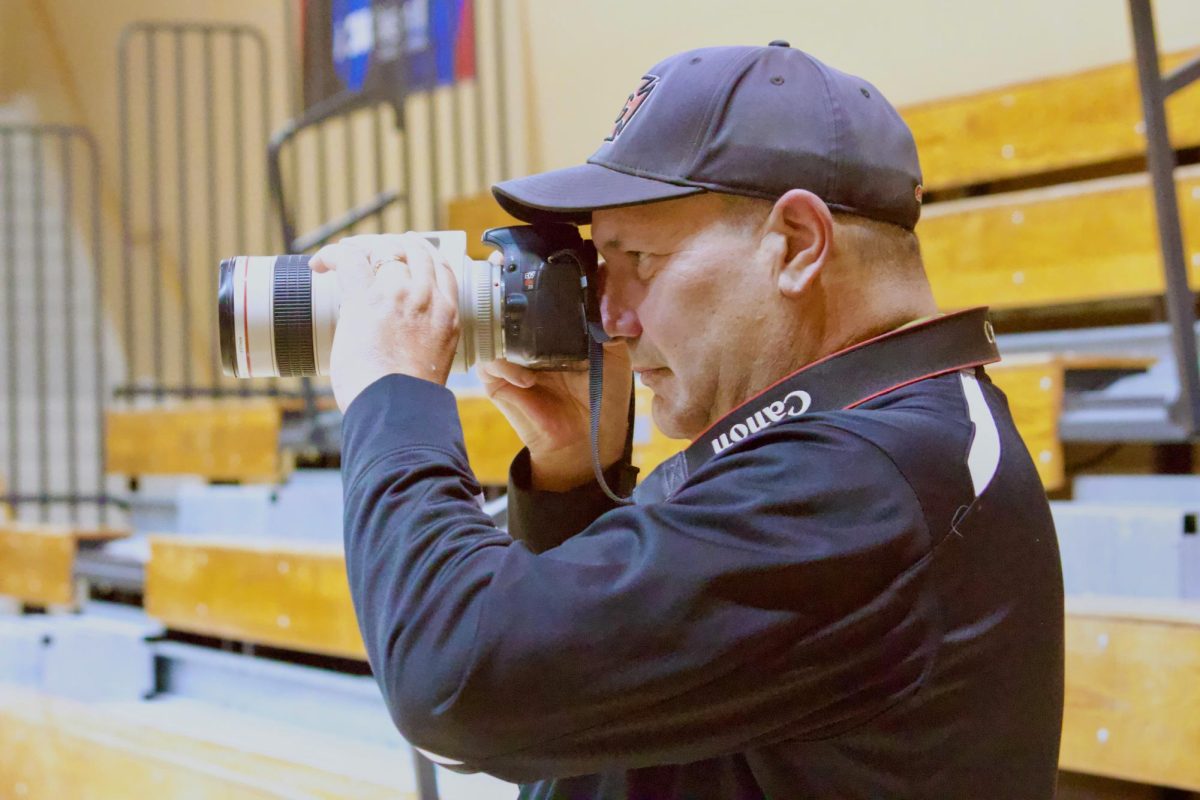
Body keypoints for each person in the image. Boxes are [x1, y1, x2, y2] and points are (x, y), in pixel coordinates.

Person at [313, 42, 1064, 799]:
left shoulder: (871, 482)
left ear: (798, 245)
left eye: (637, 258)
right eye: (601, 268)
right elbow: (588, 709)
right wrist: (575, 477)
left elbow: (458, 683)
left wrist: (393, 398)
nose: (610, 316)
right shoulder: (878, 442)